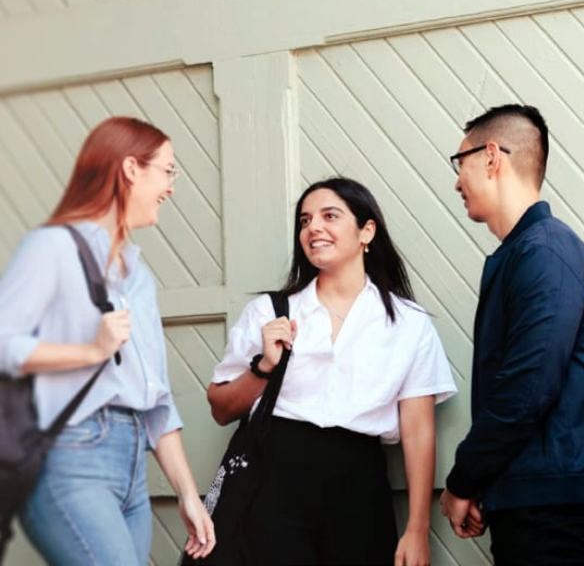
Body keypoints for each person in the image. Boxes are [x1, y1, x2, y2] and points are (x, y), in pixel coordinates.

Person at [208, 177, 456, 566]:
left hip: (359, 485)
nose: (313, 228)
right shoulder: (270, 312)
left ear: (366, 231)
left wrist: (417, 528)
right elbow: (221, 407)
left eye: (330, 216)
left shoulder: (408, 323)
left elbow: (418, 430)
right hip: (274, 481)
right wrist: (264, 367)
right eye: (305, 220)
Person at [0, 116, 215, 565]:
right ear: (131, 168)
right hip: (72, 456)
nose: (171, 186)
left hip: (133, 464)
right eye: (168, 171)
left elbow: (156, 398)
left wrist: (189, 495)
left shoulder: (137, 276)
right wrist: (90, 351)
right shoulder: (53, 247)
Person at [440, 104, 584, 566]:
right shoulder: (526, 253)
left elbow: (526, 390)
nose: (456, 181)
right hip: (537, 502)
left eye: (460, 162)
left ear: (492, 156)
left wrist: (461, 482)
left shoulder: (544, 253)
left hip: (555, 514)